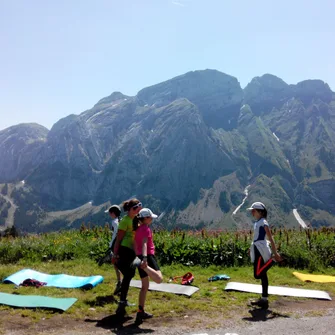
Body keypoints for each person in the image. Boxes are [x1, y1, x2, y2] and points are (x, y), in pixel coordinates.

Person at [247, 202, 282, 309]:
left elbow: (270, 238)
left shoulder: (263, 222)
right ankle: (264, 299)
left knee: (257, 274)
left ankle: (273, 260)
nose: (252, 213)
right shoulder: (258, 222)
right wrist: (251, 248)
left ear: (260, 212)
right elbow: (256, 237)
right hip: (257, 248)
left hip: (261, 250)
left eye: (254, 211)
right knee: (263, 275)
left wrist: (275, 253)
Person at [112, 198, 143, 316]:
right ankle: (122, 300)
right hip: (125, 249)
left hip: (132, 249)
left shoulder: (135, 219)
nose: (137, 210)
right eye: (134, 208)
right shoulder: (125, 221)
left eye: (138, 208)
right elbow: (119, 239)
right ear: (129, 209)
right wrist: (115, 254)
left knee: (129, 274)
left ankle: (122, 299)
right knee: (129, 274)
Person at [133, 208, 163, 325]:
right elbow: (145, 243)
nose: (152, 219)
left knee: (144, 286)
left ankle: (140, 311)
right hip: (148, 257)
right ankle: (143, 266)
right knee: (159, 279)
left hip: (139, 256)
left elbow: (136, 244)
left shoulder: (138, 229)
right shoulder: (146, 229)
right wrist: (145, 260)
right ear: (145, 218)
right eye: (150, 217)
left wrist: (138, 256)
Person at [104, 205, 122, 295]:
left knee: (116, 264)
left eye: (110, 213)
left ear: (113, 213)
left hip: (115, 246)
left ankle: (120, 283)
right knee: (117, 264)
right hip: (118, 245)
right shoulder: (120, 220)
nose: (110, 215)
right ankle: (120, 282)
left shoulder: (114, 222)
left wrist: (113, 245)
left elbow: (117, 234)